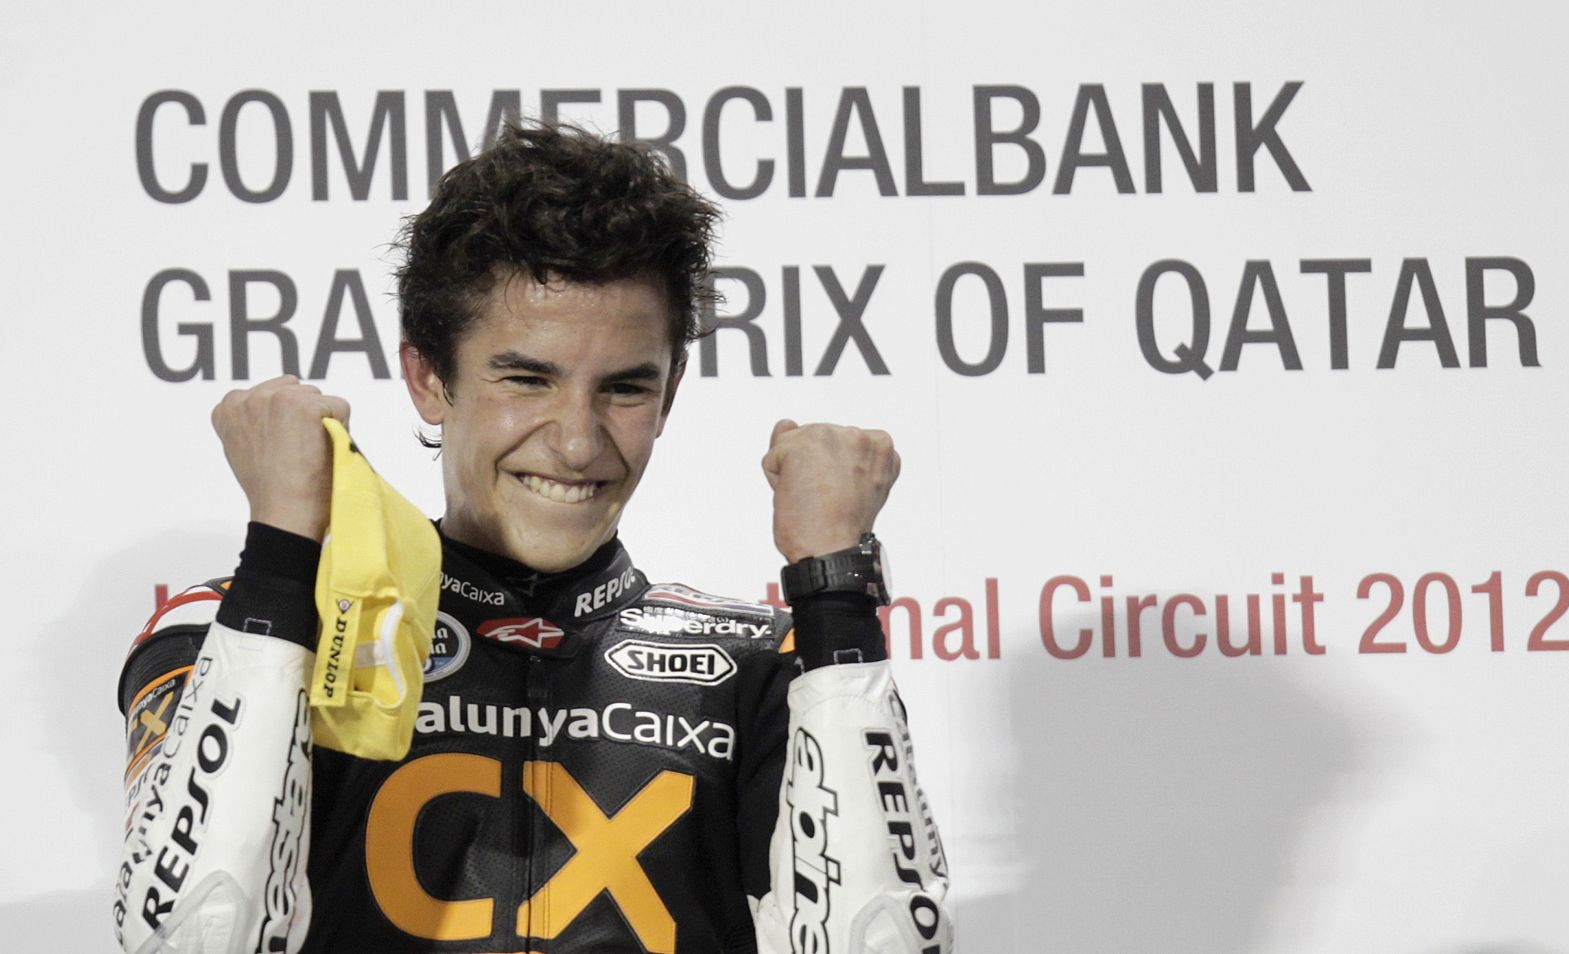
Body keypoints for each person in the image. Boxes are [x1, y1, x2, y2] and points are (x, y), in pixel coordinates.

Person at [114, 123, 952, 954]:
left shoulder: (763, 664)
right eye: (526, 379)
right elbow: (193, 937)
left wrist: (835, 591)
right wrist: (280, 562)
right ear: (428, 376)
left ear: (670, 394)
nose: (579, 443)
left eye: (626, 388)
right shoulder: (248, 630)